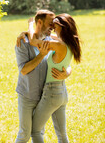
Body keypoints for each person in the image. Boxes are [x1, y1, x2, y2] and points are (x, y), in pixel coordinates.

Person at [15, 10, 72, 143]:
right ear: (39, 22)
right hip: (28, 95)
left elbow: (65, 55)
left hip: (44, 96)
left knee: (39, 131)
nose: (53, 26)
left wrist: (67, 72)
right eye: (50, 23)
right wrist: (41, 55)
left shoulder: (50, 40)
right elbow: (23, 70)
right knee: (25, 134)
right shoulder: (23, 42)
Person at [28, 13, 82, 143]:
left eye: (55, 27)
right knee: (62, 135)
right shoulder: (69, 42)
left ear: (63, 28)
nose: (53, 29)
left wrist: (30, 24)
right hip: (62, 92)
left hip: (52, 93)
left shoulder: (58, 45)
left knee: (35, 131)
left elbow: (33, 41)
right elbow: (46, 36)